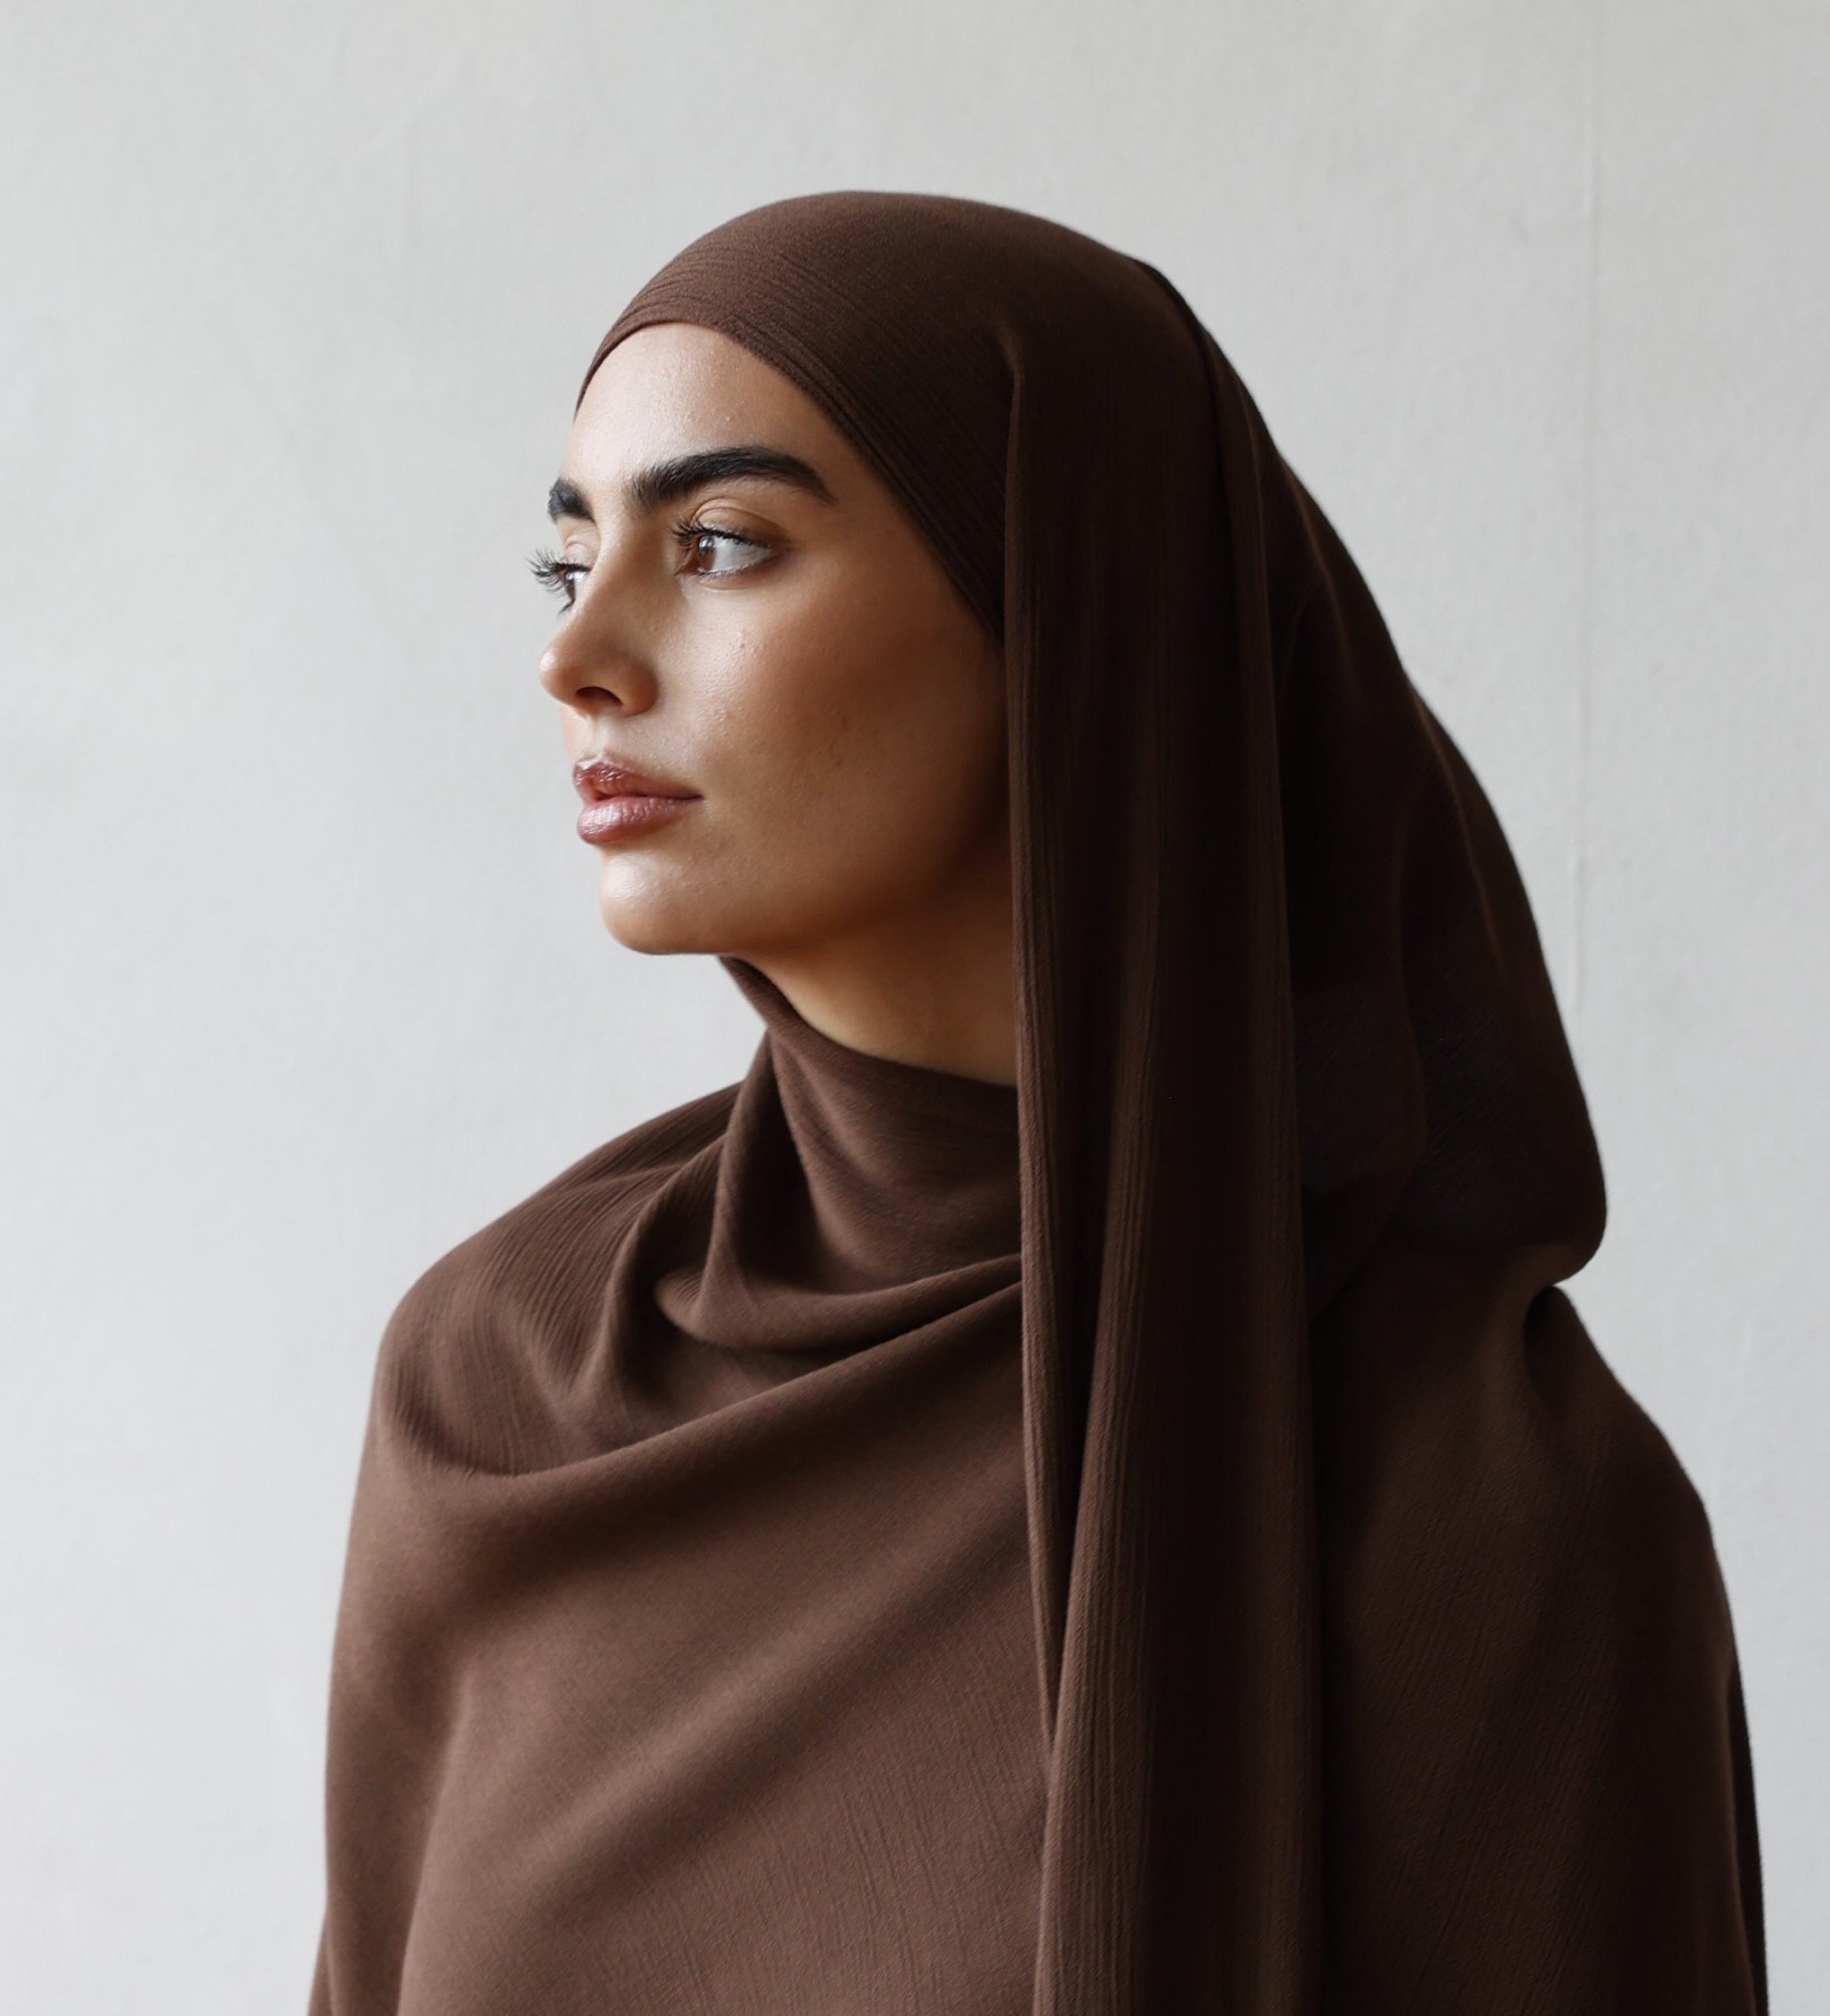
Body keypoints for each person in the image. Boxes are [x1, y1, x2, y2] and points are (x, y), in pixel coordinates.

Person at [309, 192, 1766, 2015]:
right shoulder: (500, 1389)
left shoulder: (1478, 1521)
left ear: (1064, 608)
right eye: (565, 558)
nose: (578, 652)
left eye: (725, 542)